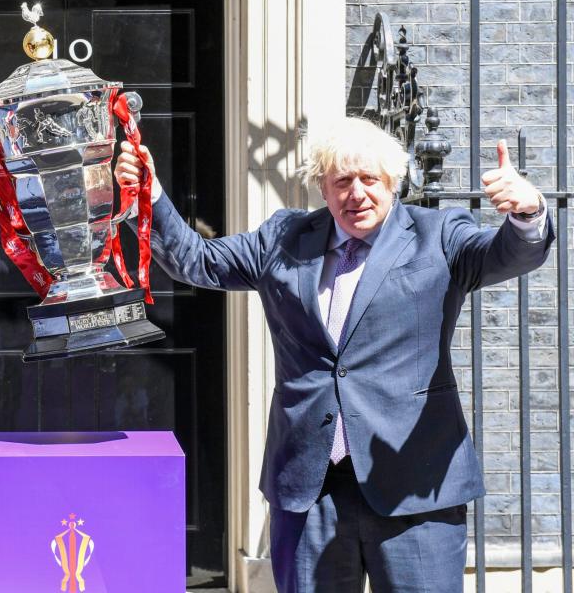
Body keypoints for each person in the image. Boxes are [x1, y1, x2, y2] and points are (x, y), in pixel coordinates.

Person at [114, 117, 553, 592]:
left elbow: (504, 255)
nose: (357, 193)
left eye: (370, 179)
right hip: (310, 487)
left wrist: (526, 215)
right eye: (342, 181)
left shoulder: (440, 234)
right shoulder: (283, 237)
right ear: (322, 187)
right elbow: (198, 261)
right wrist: (150, 194)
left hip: (414, 485)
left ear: (393, 183)